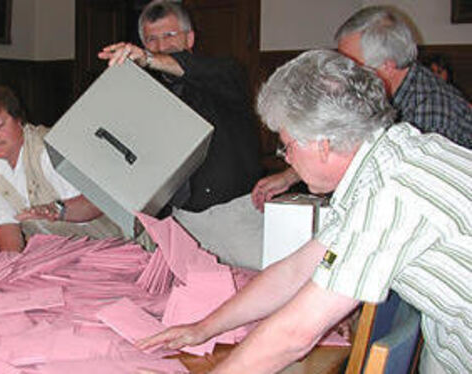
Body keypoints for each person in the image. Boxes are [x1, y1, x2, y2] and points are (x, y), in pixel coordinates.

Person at [138, 50, 471, 374]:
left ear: (322, 143)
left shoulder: (388, 193)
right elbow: (295, 270)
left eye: (287, 145)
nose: (285, 158)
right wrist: (203, 328)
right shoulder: (390, 155)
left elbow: (296, 334)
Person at [251, 5, 472, 211]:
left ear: (387, 66)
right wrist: (292, 175)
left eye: (352, 65)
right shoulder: (397, 89)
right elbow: (344, 144)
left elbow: (403, 206)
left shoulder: (430, 115)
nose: (343, 73)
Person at [98, 0, 263, 213]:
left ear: (190, 38)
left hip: (229, 210)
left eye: (169, 35)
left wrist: (148, 59)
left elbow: (196, 69)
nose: (162, 46)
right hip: (173, 215)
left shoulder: (226, 72)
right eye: (152, 39)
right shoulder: (147, 93)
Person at [0, 83, 122, 252]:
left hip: (111, 247)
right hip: (58, 255)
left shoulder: (48, 149)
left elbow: (95, 204)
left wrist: (57, 210)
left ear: (19, 120)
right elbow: (6, 224)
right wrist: (10, 266)